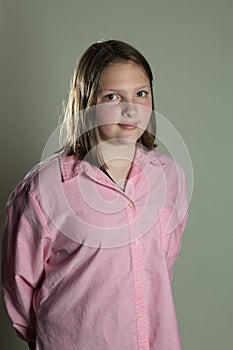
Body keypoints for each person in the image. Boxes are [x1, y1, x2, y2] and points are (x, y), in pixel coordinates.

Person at [1, 40, 189, 350]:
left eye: (141, 93)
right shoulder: (44, 188)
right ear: (88, 103)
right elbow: (20, 288)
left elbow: (160, 264)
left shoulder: (170, 176)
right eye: (113, 97)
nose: (131, 109)